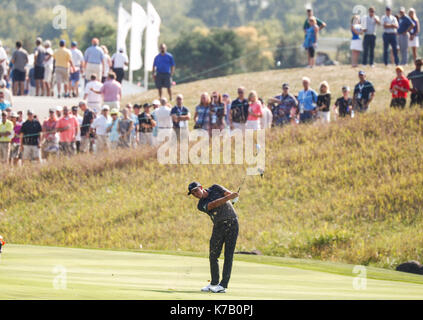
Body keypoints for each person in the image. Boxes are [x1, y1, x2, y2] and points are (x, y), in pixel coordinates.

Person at [188, 182, 239, 294]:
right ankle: (214, 283)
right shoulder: (201, 205)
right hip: (218, 226)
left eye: (196, 191)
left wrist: (234, 197)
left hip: (232, 224)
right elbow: (213, 205)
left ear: (201, 188)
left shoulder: (216, 187)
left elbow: (228, 193)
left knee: (228, 255)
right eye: (192, 193)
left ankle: (223, 285)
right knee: (213, 255)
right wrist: (229, 197)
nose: (195, 194)